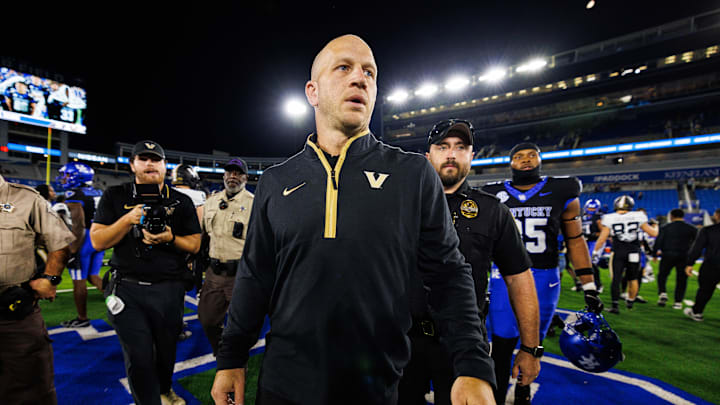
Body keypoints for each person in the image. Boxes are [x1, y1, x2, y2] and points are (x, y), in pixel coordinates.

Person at [211, 35, 495, 405]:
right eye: (343, 67)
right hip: (283, 384)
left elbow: (448, 274)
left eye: (369, 72)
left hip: (375, 386)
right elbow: (255, 276)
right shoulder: (276, 181)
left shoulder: (413, 174)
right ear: (312, 92)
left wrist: (472, 363)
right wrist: (232, 356)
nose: (360, 78)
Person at [398, 119, 538, 405]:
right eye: (443, 146)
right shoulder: (398, 204)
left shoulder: (492, 211)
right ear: (429, 155)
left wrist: (530, 348)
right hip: (401, 338)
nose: (451, 154)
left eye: (461, 147)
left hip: (463, 343)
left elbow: (519, 277)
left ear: (472, 155)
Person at [482, 142, 603, 405]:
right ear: (510, 162)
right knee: (501, 345)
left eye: (531, 155)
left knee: (533, 344)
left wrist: (589, 285)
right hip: (503, 276)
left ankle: (524, 387)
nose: (525, 160)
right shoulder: (491, 194)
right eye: (518, 156)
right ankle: (499, 395)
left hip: (544, 276)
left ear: (540, 159)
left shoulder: (562, 190)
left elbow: (575, 239)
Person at [90, 140, 201, 405]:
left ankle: (164, 389)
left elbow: (195, 244)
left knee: (166, 351)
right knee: (139, 356)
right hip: (127, 289)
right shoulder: (115, 196)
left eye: (155, 159)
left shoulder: (181, 200)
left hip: (169, 288)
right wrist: (128, 219)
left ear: (165, 166)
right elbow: (98, 241)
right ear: (132, 165)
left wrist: (170, 237)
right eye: (143, 159)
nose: (150, 164)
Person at [0, 174, 75, 404]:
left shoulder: (26, 198)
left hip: (13, 315)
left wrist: (50, 278)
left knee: (32, 392)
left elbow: (61, 242)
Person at [199, 158, 254, 355]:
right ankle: (221, 352)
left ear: (245, 178)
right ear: (223, 176)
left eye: (238, 173)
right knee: (207, 320)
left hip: (241, 275)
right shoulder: (211, 201)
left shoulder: (254, 204)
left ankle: (237, 363)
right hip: (214, 274)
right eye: (229, 172)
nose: (233, 176)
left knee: (242, 326)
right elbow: (203, 235)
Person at [56, 162, 105, 328]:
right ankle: (121, 304)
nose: (64, 178)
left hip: (84, 239)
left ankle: (82, 318)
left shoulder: (74, 193)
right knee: (93, 276)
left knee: (79, 280)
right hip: (99, 237)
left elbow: (78, 224)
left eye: (68, 175)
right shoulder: (97, 191)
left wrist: (72, 250)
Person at [592, 196, 658, 314]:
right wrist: (655, 225)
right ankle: (630, 301)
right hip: (634, 251)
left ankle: (615, 306)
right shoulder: (638, 216)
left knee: (616, 279)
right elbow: (653, 233)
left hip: (619, 251)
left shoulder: (609, 218)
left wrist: (595, 252)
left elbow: (602, 238)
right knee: (633, 278)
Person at [652, 208, 697, 308]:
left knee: (662, 275)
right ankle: (678, 302)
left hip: (667, 254)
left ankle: (662, 292)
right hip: (684, 256)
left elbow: (658, 241)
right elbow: (696, 244)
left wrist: (654, 254)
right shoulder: (692, 228)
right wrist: (692, 257)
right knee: (682, 279)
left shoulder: (665, 227)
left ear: (671, 216)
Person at [684, 209, 720, 321]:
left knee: (705, 290)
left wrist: (690, 263)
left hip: (712, 265)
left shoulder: (708, 230)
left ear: (717, 215)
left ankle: (697, 312)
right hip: (712, 264)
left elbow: (697, 248)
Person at [581, 199, 604, 292]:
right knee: (584, 264)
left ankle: (598, 285)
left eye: (592, 208)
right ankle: (588, 284)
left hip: (594, 242)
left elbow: (603, 232)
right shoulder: (583, 217)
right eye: (589, 208)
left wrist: (593, 234)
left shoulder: (598, 217)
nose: (590, 209)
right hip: (585, 242)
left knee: (592, 263)